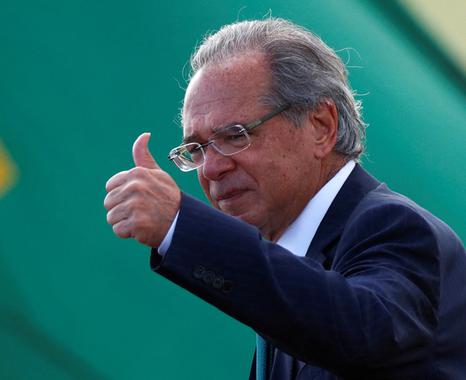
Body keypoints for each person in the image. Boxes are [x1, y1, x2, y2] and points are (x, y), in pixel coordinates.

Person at [104, 18, 466, 380]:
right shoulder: (290, 271)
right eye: (195, 149)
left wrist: (181, 225)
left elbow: (360, 330)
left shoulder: (394, 227)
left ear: (321, 126)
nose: (211, 169)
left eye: (234, 135)